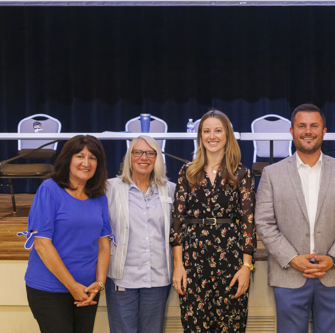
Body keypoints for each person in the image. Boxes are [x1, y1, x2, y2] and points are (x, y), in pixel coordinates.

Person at [255, 103, 335, 333]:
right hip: (289, 274)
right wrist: (292, 258)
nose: (308, 131)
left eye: (314, 126)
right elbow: (264, 222)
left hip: (333, 273)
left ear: (324, 131)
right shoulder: (271, 174)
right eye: (301, 126)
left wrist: (333, 258)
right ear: (291, 131)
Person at [170, 110, 256, 332]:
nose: (212, 136)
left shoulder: (241, 174)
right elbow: (177, 222)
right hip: (193, 262)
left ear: (227, 135)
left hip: (231, 262)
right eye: (206, 131)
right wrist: (178, 266)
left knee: (230, 326)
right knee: (195, 326)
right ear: (200, 136)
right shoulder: (187, 172)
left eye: (218, 130)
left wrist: (246, 267)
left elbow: (248, 223)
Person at [23, 135, 112, 333]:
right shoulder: (49, 189)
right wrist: (72, 286)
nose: (86, 163)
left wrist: (99, 283)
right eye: (80, 156)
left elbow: (104, 243)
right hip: (49, 289)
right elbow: (42, 245)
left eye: (93, 158)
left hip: (88, 289)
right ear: (68, 159)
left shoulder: (99, 195)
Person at [106, 135, 176, 333]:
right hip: (122, 277)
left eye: (150, 153)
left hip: (158, 277)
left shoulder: (170, 190)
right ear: (129, 157)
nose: (143, 158)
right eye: (137, 152)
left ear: (157, 158)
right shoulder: (110, 188)